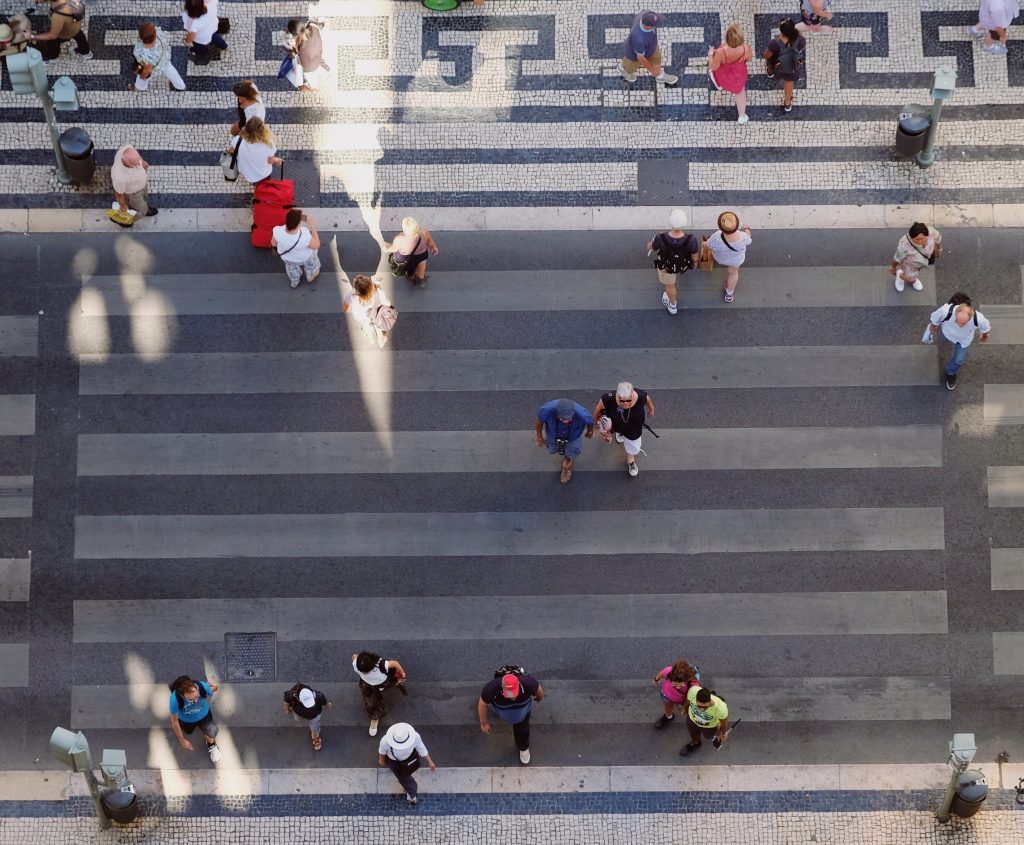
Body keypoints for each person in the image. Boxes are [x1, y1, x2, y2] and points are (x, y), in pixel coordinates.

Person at [925, 293, 991, 391]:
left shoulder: (980, 319)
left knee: (958, 360)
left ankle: (950, 373)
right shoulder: (945, 310)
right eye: (957, 321)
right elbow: (934, 319)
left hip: (963, 340)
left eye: (963, 323)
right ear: (956, 312)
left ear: (971, 317)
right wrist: (932, 329)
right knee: (944, 339)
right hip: (947, 333)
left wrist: (984, 337)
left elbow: (985, 329)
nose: (959, 325)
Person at [478, 668, 545, 765]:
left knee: (523, 730)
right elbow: (482, 703)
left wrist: (539, 698)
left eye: (513, 692)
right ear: (502, 686)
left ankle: (523, 748)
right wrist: (483, 723)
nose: (512, 697)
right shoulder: (492, 688)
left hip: (522, 714)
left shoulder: (528, 682)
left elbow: (539, 690)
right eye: (508, 693)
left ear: (518, 684)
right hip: (501, 710)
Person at [593, 382, 655, 478]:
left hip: (634, 427)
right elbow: (597, 409)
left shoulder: (641, 396)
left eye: (628, 400)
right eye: (622, 401)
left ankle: (630, 460)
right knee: (618, 428)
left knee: (633, 443)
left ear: (632, 394)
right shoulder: (608, 398)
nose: (625, 404)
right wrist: (597, 422)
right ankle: (621, 433)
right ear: (617, 396)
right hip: (616, 424)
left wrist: (651, 409)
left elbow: (648, 401)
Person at [647, 208, 700, 314]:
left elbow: (652, 248)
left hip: (666, 266)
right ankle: (671, 302)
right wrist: (694, 264)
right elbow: (695, 256)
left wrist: (650, 244)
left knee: (670, 286)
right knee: (672, 281)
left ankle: (672, 305)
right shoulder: (691, 240)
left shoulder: (660, 237)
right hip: (682, 264)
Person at [534, 398, 595, 485]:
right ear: (556, 414)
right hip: (553, 434)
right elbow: (539, 422)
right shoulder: (547, 410)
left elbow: (590, 423)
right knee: (552, 448)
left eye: (569, 419)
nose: (566, 421)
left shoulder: (583, 414)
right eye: (562, 419)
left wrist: (590, 432)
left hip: (573, 436)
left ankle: (567, 464)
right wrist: (539, 437)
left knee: (571, 451)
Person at [378, 722, 436, 805]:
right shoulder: (385, 741)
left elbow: (421, 748)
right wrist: (382, 760)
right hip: (394, 761)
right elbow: (382, 752)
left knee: (405, 779)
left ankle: (412, 794)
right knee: (402, 775)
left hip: (399, 762)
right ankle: (411, 794)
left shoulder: (415, 737)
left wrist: (430, 761)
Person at [352, 651, 408, 736]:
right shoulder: (356, 664)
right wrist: (355, 657)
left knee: (392, 683)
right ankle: (375, 717)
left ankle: (381, 689)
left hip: (385, 681)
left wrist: (402, 674)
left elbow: (395, 664)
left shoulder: (380, 664)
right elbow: (354, 657)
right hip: (367, 683)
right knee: (369, 700)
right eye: (362, 671)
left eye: (366, 672)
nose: (364, 673)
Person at [168, 675, 221, 762]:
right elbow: (174, 721)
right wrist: (182, 740)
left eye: (196, 696)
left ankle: (211, 745)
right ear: (182, 695)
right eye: (190, 699)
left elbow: (215, 688)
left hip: (204, 715)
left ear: (196, 688)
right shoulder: (174, 700)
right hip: (186, 720)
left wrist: (211, 687)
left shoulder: (202, 686)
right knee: (188, 732)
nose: (195, 700)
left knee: (211, 733)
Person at [708, 23, 753, 124]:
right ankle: (742, 116)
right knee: (740, 93)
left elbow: (713, 66)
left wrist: (711, 54)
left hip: (724, 76)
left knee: (715, 75)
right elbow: (748, 59)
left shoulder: (720, 52)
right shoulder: (747, 49)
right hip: (738, 76)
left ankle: (719, 86)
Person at [620, 10, 678, 86]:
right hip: (634, 56)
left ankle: (659, 75)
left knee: (656, 58)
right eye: (655, 24)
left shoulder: (644, 15)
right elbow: (640, 58)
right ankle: (624, 71)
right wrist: (652, 69)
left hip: (651, 47)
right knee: (629, 67)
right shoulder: (639, 39)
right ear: (648, 26)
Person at [705, 211, 752, 302]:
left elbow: (709, 245)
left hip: (720, 258)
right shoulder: (743, 237)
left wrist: (704, 244)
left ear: (720, 227)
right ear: (737, 225)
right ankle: (729, 294)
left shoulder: (717, 236)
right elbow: (749, 239)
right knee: (733, 273)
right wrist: (747, 228)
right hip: (736, 260)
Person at [272, 208, 321, 288]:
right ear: (298, 224)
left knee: (292, 270)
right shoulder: (304, 233)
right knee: (312, 259)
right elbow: (316, 245)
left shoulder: (277, 230)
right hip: (305, 258)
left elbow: (273, 243)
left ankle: (295, 281)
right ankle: (310, 277)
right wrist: (312, 226)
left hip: (288, 259)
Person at [763, 19, 805, 112]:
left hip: (777, 66)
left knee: (770, 61)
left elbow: (768, 56)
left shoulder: (774, 43)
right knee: (789, 82)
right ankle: (787, 103)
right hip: (792, 67)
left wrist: (764, 54)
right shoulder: (800, 39)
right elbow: (801, 49)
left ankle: (770, 73)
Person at [109, 145, 157, 226]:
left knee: (144, 198)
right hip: (133, 194)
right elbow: (119, 194)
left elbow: (138, 158)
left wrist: (142, 161)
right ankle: (125, 221)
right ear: (126, 162)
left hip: (142, 186)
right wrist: (123, 205)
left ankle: (145, 208)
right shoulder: (119, 177)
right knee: (142, 210)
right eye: (136, 164)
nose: (139, 164)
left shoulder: (127, 148)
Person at [131, 22, 186, 93]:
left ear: (141, 38)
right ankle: (180, 86)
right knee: (172, 73)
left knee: (141, 80)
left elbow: (147, 70)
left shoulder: (142, 52)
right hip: (164, 61)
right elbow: (154, 28)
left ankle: (141, 87)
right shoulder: (159, 34)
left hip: (154, 69)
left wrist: (142, 77)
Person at [343, 275, 394, 349]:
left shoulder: (350, 296)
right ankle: (381, 341)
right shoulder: (378, 292)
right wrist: (392, 308)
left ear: (356, 290)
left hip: (362, 318)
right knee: (379, 328)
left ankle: (370, 338)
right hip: (376, 316)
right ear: (371, 286)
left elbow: (345, 309)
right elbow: (386, 302)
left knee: (367, 328)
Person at [890, 221, 942, 292]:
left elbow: (938, 239)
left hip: (923, 260)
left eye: (922, 238)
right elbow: (897, 257)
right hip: (910, 265)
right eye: (917, 239)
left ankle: (909, 277)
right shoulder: (905, 245)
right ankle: (901, 276)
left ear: (927, 235)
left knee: (913, 275)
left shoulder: (931, 232)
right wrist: (893, 267)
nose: (920, 242)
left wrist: (939, 248)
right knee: (910, 278)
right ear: (912, 237)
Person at [385, 217, 438, 287]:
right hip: (422, 255)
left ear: (404, 229)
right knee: (422, 264)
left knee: (410, 269)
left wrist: (386, 248)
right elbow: (430, 241)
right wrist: (434, 247)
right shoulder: (424, 232)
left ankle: (412, 278)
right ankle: (421, 280)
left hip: (407, 258)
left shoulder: (399, 239)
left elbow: (394, 249)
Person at [679, 685, 729, 757]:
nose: (702, 709)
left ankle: (717, 723)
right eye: (699, 706)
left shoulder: (720, 708)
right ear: (696, 700)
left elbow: (724, 722)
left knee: (708, 737)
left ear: (710, 701)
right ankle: (696, 743)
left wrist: (723, 734)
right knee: (693, 734)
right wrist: (684, 708)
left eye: (705, 707)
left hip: (709, 726)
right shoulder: (692, 692)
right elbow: (688, 700)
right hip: (692, 720)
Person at [232, 117, 283, 184]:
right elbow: (269, 160)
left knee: (254, 179)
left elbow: (232, 151)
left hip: (248, 174)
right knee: (264, 182)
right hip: (262, 174)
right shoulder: (269, 145)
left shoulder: (237, 141)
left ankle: (255, 184)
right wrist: (277, 161)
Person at [653, 659, 701, 729]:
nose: (678, 687)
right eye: (674, 684)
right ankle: (668, 717)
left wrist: (684, 707)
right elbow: (661, 673)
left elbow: (690, 697)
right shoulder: (669, 670)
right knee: (667, 707)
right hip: (666, 695)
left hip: (682, 701)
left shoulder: (694, 684)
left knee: (686, 712)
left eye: (682, 685)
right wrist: (656, 679)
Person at [283, 682, 330, 751]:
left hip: (314, 715)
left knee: (314, 726)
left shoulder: (318, 696)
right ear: (299, 699)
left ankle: (315, 736)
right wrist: (286, 708)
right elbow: (286, 700)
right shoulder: (292, 695)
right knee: (298, 719)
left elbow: (325, 702)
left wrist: (327, 705)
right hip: (299, 713)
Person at [285, 19, 327, 91]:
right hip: (318, 54)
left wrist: (293, 47)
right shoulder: (313, 27)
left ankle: (305, 87)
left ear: (296, 35)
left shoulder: (302, 50)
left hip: (311, 67)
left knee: (290, 69)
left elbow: (300, 64)